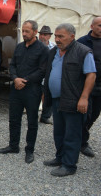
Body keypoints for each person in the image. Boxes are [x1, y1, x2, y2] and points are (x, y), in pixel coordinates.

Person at [43, 23, 96, 177]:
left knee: (72, 134)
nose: (57, 39)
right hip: (57, 100)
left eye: (61, 36)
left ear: (72, 36)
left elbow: (91, 75)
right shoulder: (54, 52)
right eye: (56, 36)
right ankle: (60, 158)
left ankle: (69, 165)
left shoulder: (83, 52)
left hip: (74, 100)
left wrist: (84, 98)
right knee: (58, 132)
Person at [0, 20, 48, 164]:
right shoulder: (19, 47)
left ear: (35, 32)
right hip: (16, 89)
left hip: (32, 90)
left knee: (32, 121)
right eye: (23, 31)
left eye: (27, 31)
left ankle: (29, 150)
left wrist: (23, 80)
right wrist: (15, 78)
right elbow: (12, 65)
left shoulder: (43, 50)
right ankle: (13, 146)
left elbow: (42, 70)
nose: (24, 34)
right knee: (14, 119)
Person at [78, 16, 101, 158]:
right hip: (86, 85)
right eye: (99, 25)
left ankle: (81, 135)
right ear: (92, 26)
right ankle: (82, 142)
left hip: (100, 86)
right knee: (85, 114)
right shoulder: (82, 42)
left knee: (94, 114)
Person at [38, 25, 56, 124]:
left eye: (45, 35)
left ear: (49, 36)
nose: (42, 37)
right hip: (38, 76)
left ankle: (45, 116)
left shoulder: (54, 47)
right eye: (41, 34)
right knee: (36, 97)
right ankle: (32, 116)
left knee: (49, 98)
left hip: (49, 76)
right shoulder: (35, 46)